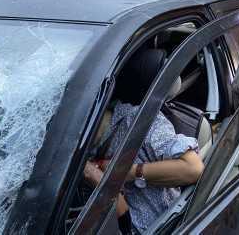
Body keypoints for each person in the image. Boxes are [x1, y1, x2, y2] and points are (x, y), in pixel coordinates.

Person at [84, 49, 204, 233]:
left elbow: (193, 168)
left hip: (161, 226)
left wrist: (126, 171)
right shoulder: (78, 143)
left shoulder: (144, 124)